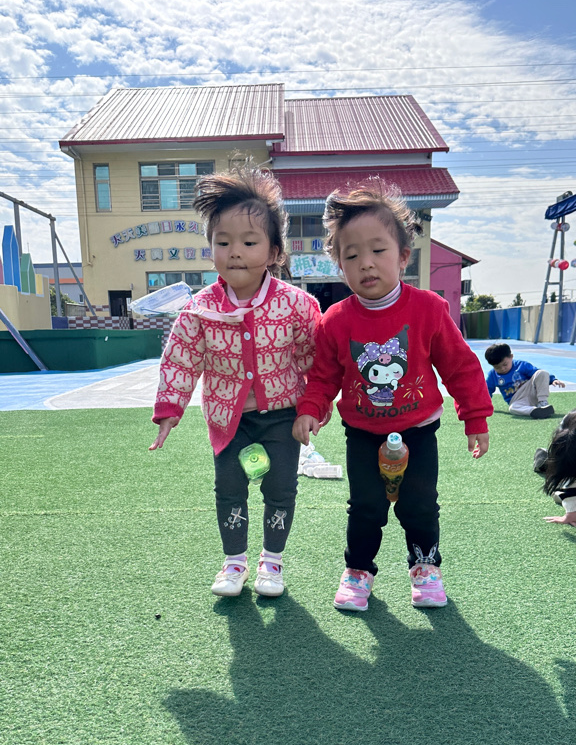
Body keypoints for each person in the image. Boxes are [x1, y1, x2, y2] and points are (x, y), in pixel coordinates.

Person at [292, 182, 493, 611]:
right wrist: (311, 409)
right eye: (351, 256)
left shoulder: (428, 309)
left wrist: (475, 417)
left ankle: (425, 567)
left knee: (419, 505)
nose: (365, 263)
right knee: (366, 506)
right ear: (339, 265)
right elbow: (323, 376)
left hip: (418, 430)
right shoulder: (335, 321)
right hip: (363, 434)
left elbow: (459, 366)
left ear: (403, 256)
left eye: (378, 250)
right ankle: (358, 571)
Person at [150, 165, 322, 598]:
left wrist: (313, 408)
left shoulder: (297, 305)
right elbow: (180, 359)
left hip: (282, 417)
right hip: (229, 420)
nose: (235, 252)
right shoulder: (200, 309)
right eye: (223, 242)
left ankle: (272, 562)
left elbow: (315, 360)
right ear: (211, 248)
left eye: (249, 242)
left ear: (274, 251)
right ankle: (234, 562)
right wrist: (169, 410)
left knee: (280, 488)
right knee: (229, 488)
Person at [484, 342, 564, 418]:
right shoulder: (493, 375)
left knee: (541, 372)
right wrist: (484, 404)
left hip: (530, 391)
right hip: (517, 400)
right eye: (497, 367)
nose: (502, 369)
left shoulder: (521, 365)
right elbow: (487, 390)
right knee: (512, 408)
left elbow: (537, 374)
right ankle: (534, 411)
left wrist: (553, 380)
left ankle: (543, 403)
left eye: (505, 364)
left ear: (511, 356)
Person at [534, 410, 576, 526]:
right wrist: (572, 512)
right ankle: (547, 462)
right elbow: (570, 475)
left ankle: (547, 461)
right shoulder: (567, 435)